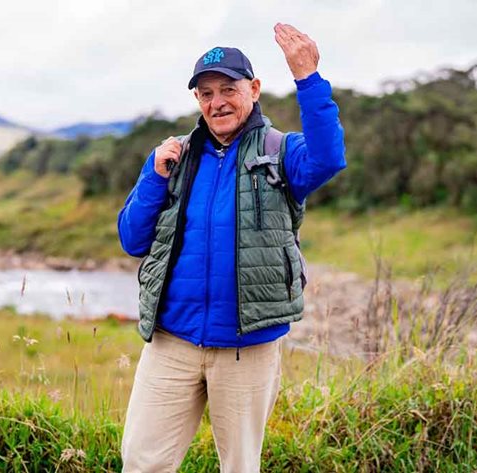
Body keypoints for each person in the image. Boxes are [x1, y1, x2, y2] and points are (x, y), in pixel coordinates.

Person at [117, 23, 346, 472]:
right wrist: (154, 178)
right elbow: (132, 239)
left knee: (240, 466)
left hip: (248, 348)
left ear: (254, 90)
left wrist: (308, 78)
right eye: (206, 93)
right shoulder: (175, 156)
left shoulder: (281, 152)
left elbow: (329, 158)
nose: (216, 102)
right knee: (141, 462)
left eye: (228, 89)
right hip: (171, 341)